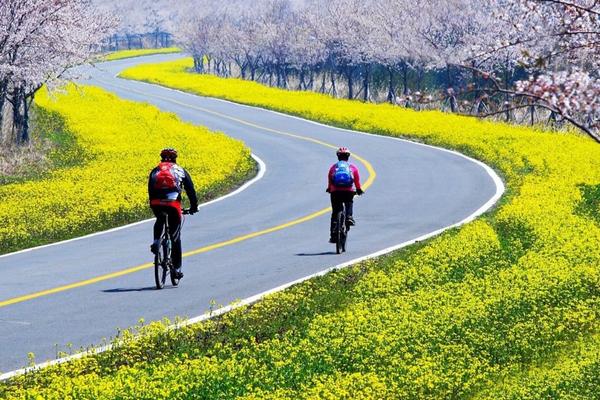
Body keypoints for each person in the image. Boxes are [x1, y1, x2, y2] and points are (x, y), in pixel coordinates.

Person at [148, 148, 198, 279]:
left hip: (156, 202)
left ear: (161, 158)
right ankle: (176, 269)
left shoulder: (156, 170)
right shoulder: (180, 170)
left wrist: (154, 202)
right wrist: (194, 207)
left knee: (160, 218)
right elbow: (190, 190)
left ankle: (156, 241)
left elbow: (150, 188)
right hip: (173, 204)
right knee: (175, 237)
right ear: (175, 159)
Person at [326, 147, 363, 243]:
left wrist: (329, 188)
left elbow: (330, 178)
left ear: (338, 156)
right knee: (349, 202)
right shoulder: (352, 167)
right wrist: (358, 189)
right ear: (348, 157)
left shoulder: (334, 167)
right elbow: (356, 180)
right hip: (348, 190)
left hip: (335, 192)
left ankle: (333, 235)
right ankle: (349, 217)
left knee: (335, 212)